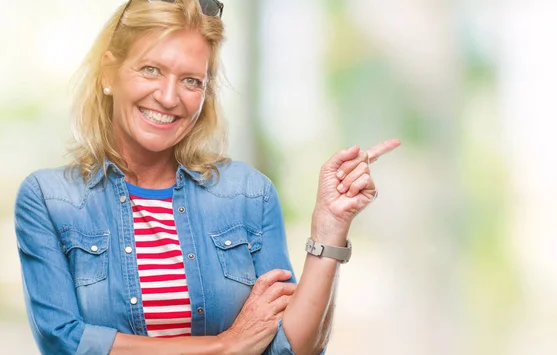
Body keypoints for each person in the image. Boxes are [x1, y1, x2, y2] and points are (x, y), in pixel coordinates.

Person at [13, 0, 400, 354]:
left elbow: (290, 346)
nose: (168, 97)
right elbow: (64, 339)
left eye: (190, 80)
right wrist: (224, 346)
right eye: (151, 69)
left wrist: (330, 227)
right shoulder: (50, 199)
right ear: (108, 73)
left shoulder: (248, 194)